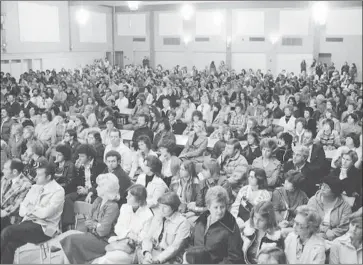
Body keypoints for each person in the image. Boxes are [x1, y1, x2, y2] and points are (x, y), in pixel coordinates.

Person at [0, 162, 65, 264]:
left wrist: (31, 208)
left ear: (48, 177)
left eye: (39, 175)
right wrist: (35, 209)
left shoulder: (58, 191)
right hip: (28, 223)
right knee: (9, 244)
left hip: (45, 228)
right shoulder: (35, 187)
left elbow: (45, 214)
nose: (35, 177)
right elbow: (22, 211)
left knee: (7, 232)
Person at [57, 173, 121, 264]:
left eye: (99, 186)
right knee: (68, 242)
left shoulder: (113, 206)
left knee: (70, 240)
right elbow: (87, 221)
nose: (96, 188)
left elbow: (103, 232)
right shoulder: (98, 200)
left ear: (107, 189)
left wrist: (94, 224)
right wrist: (97, 225)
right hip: (92, 235)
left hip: (104, 241)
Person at [92, 184, 154, 264]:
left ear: (139, 199)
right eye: (127, 195)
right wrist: (128, 233)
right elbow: (117, 228)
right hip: (119, 242)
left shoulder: (148, 215)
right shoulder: (125, 207)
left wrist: (133, 237)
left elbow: (144, 237)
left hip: (134, 248)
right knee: (108, 258)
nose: (126, 197)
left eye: (130, 196)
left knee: (108, 259)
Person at [193, 186, 243, 263]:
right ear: (208, 207)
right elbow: (192, 245)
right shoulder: (200, 221)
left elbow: (234, 258)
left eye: (222, 207)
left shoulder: (231, 227)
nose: (219, 211)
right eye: (216, 207)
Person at [62, 144, 107, 230]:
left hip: (95, 193)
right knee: (67, 198)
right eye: (79, 156)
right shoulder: (81, 166)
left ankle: (91, 225)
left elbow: (100, 183)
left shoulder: (100, 166)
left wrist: (88, 191)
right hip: (83, 191)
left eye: (82, 156)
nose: (79, 158)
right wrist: (76, 170)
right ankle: (69, 226)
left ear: (89, 157)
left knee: (92, 201)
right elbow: (75, 183)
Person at [137, 192, 191, 264]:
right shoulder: (158, 217)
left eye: (165, 207)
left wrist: (158, 259)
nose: (161, 210)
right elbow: (148, 238)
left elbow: (175, 248)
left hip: (171, 257)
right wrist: (147, 252)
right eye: (160, 206)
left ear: (173, 207)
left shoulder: (183, 223)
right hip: (154, 251)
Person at [307, 177, 352, 242]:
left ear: (334, 191)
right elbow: (309, 221)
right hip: (314, 234)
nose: (322, 188)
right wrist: (324, 230)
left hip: (335, 239)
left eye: (327, 187)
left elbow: (344, 227)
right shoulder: (313, 201)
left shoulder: (345, 206)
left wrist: (328, 235)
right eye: (322, 185)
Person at [1, 159, 32, 230]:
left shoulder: (26, 185)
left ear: (14, 171)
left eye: (5, 169)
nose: (3, 171)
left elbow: (16, 206)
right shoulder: (5, 178)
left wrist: (3, 212)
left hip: (11, 218)